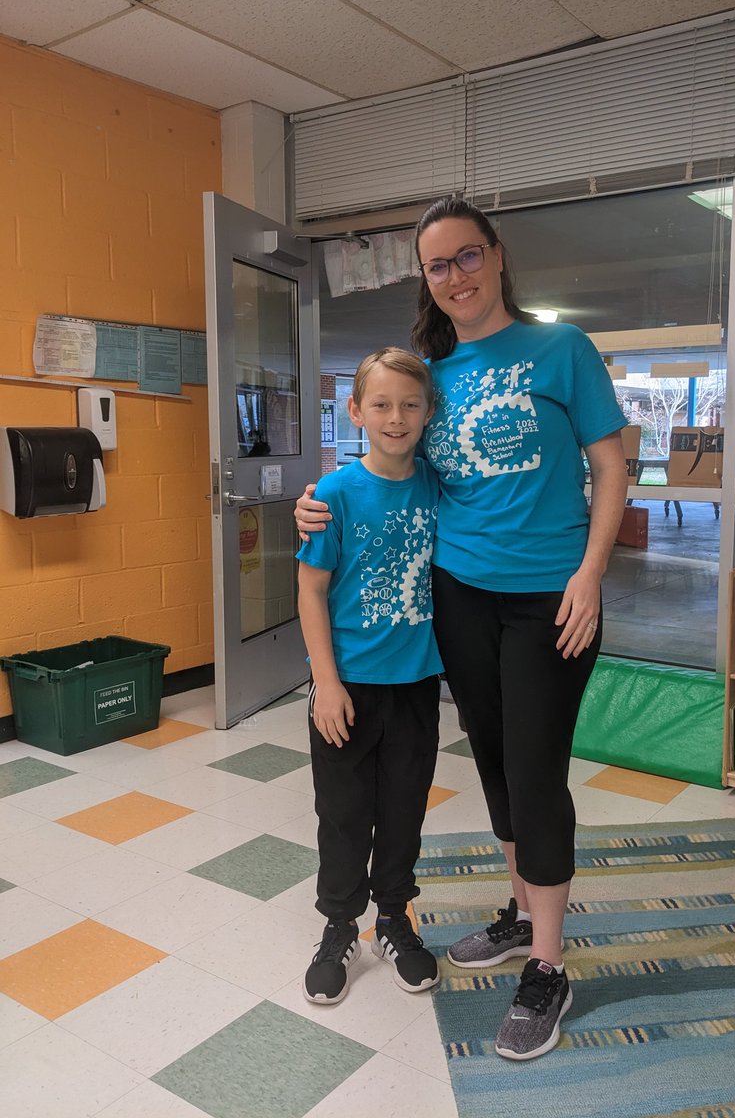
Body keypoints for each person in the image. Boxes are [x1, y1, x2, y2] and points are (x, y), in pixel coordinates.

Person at [297, 197, 627, 1058]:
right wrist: (317, 499)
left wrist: (590, 575)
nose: (455, 276)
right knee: (493, 765)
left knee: (536, 769)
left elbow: (610, 465)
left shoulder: (561, 348)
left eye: (466, 256)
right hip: (459, 594)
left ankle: (548, 967)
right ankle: (523, 915)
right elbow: (394, 455)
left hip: (550, 598)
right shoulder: (436, 369)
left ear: (497, 255)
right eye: (437, 266)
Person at [297, 347, 443, 1006]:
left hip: (415, 685)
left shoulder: (441, 487)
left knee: (404, 809)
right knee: (344, 813)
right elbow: (310, 590)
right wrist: (325, 684)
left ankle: (393, 917)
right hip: (346, 687)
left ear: (428, 412)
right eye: (381, 404)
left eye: (410, 404)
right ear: (355, 411)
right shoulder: (333, 494)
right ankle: (339, 926)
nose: (396, 417)